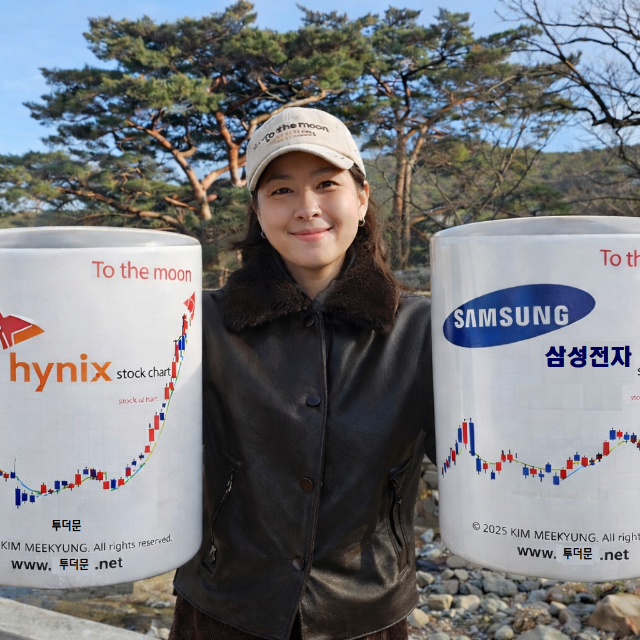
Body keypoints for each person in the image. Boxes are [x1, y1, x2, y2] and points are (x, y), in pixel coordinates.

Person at [170, 107, 436, 640]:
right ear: (258, 210)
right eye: (281, 190)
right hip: (223, 610)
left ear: (362, 198)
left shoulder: (421, 328)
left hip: (366, 613)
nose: (307, 207)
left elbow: (477, 455)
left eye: (327, 183)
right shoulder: (200, 323)